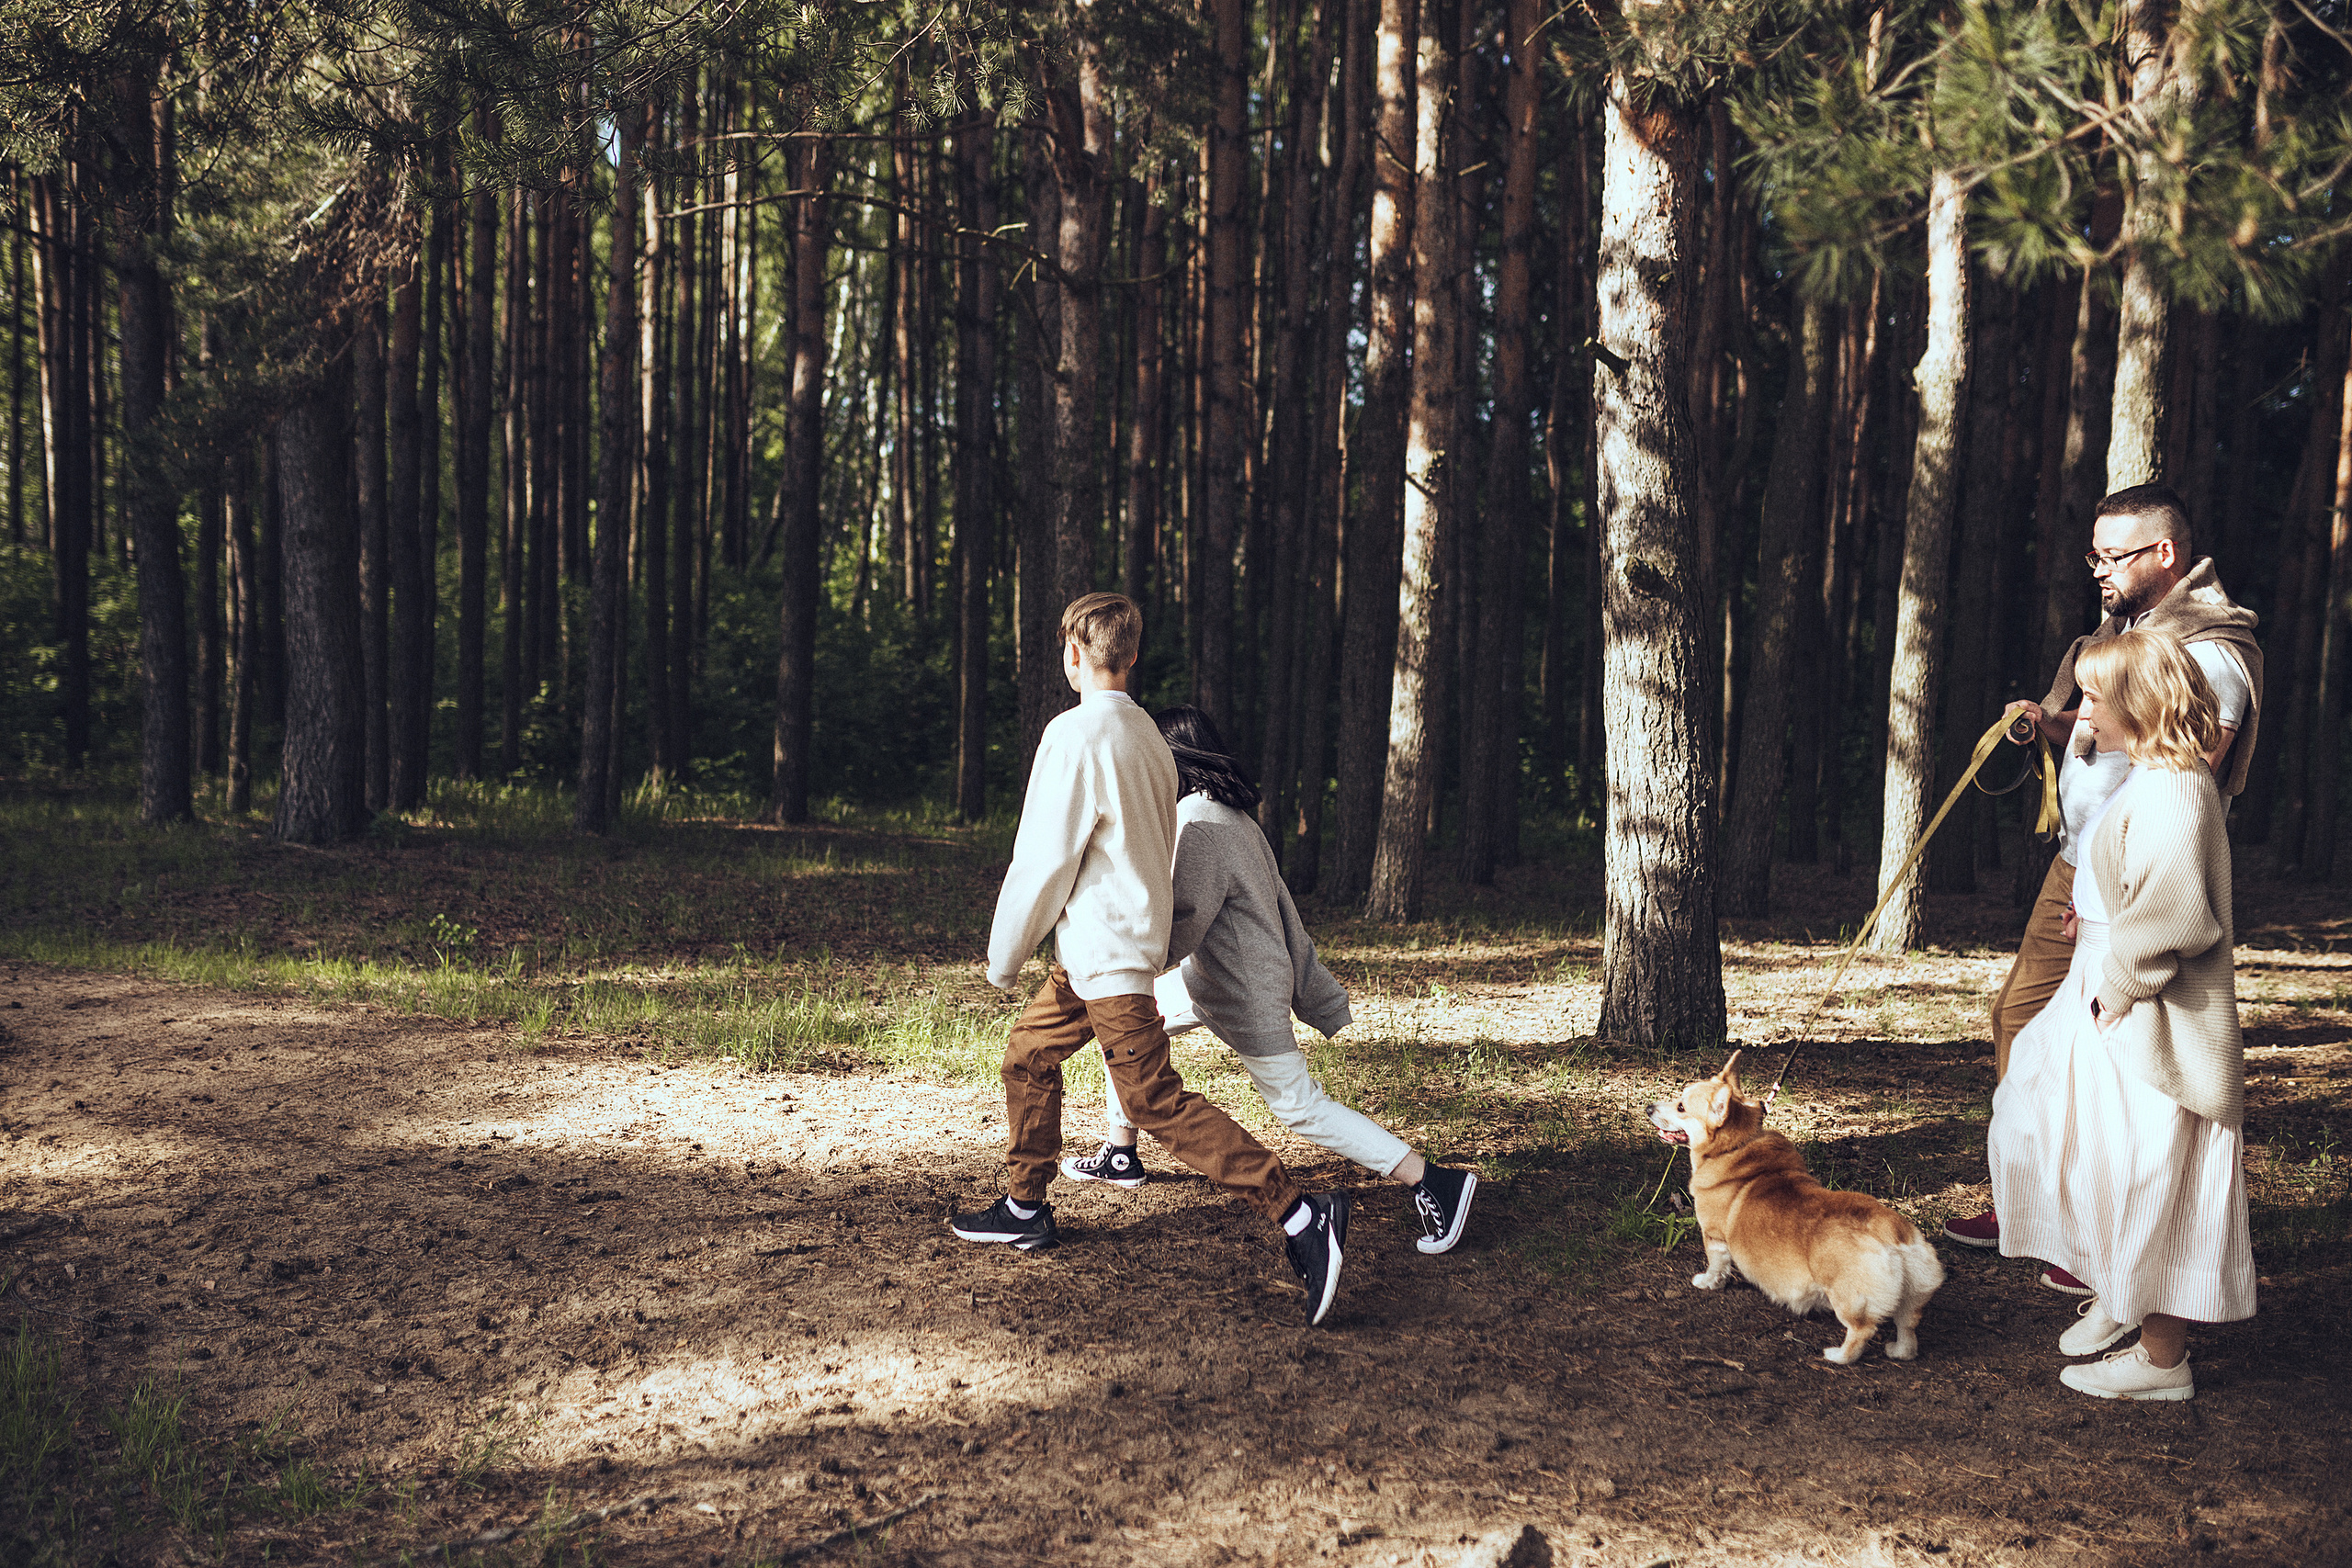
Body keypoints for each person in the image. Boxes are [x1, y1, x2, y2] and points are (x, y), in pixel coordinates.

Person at [949, 594, 1354, 1327]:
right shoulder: (1149, 737)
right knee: (1029, 1052)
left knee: (1151, 1099)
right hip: (1105, 948)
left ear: (1075, 654)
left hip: (1107, 957)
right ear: (1132, 657)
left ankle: (1298, 1214)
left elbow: (1045, 859)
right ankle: (1023, 1205)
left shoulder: (1074, 736)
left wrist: (1003, 956)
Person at [1944, 484, 2261, 1283]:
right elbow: (2096, 738)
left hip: (2134, 888)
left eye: (2115, 554)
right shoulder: (2114, 636)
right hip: (2076, 867)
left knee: (2116, 1062)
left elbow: (2183, 777)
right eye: (2094, 554)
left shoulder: (2211, 651)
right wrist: (2045, 721)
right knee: (2025, 1020)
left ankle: (2098, 1231)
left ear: (2167, 554)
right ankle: (2031, 1196)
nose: (2100, 569)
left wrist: (2112, 908)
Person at [1059, 705, 1481, 1255]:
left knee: (1301, 1107)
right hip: (1215, 980)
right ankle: (1121, 1153)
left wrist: (1123, 954)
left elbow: (1186, 920)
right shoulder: (1230, 816)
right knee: (1127, 1025)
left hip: (1247, 991)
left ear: (1173, 760)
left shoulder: (1201, 823)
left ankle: (1435, 1183)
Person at [1986, 630, 2253, 1400]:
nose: (2083, 709)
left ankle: (2163, 1359)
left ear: (2137, 704)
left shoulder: (2175, 786)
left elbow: (2177, 916)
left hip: (2148, 1010)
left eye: (2096, 695)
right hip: (2106, 982)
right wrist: (2092, 914)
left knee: (2154, 1166)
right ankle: (2121, 1290)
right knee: (2087, 1146)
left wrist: (2119, 981)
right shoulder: (2148, 774)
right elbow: (2134, 877)